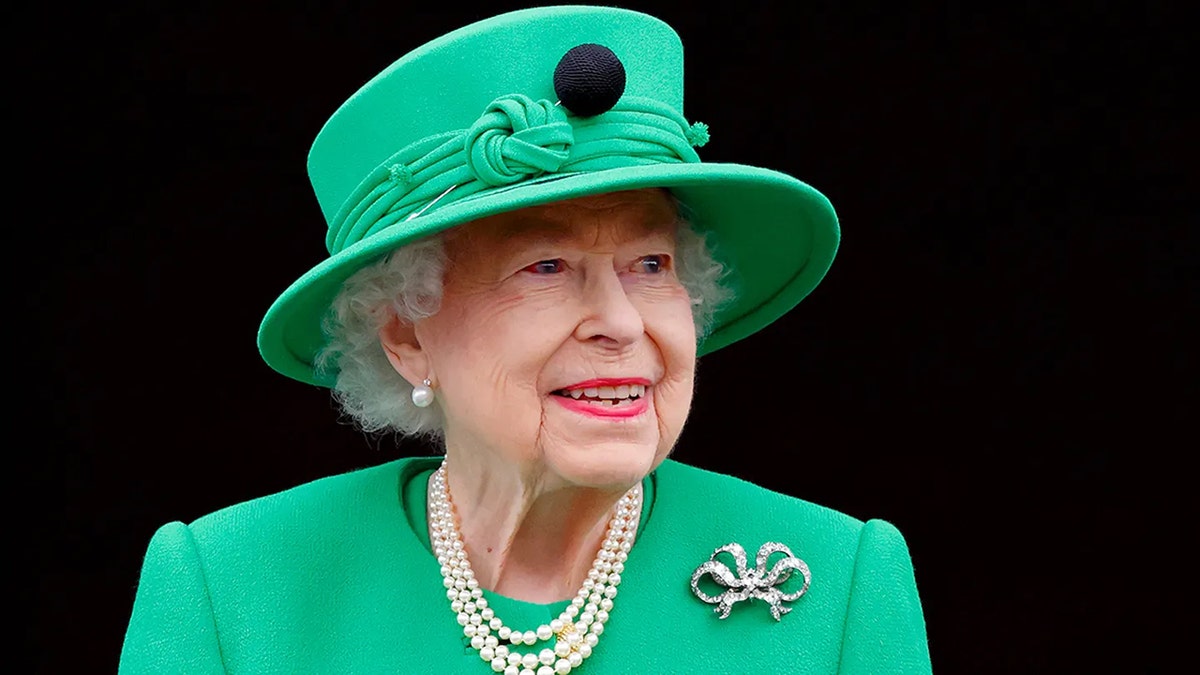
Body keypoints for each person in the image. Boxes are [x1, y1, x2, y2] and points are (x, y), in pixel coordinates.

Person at [119, 5, 931, 673]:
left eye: (651, 262)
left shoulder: (838, 585)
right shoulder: (229, 589)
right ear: (406, 332)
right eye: (546, 266)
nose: (621, 321)